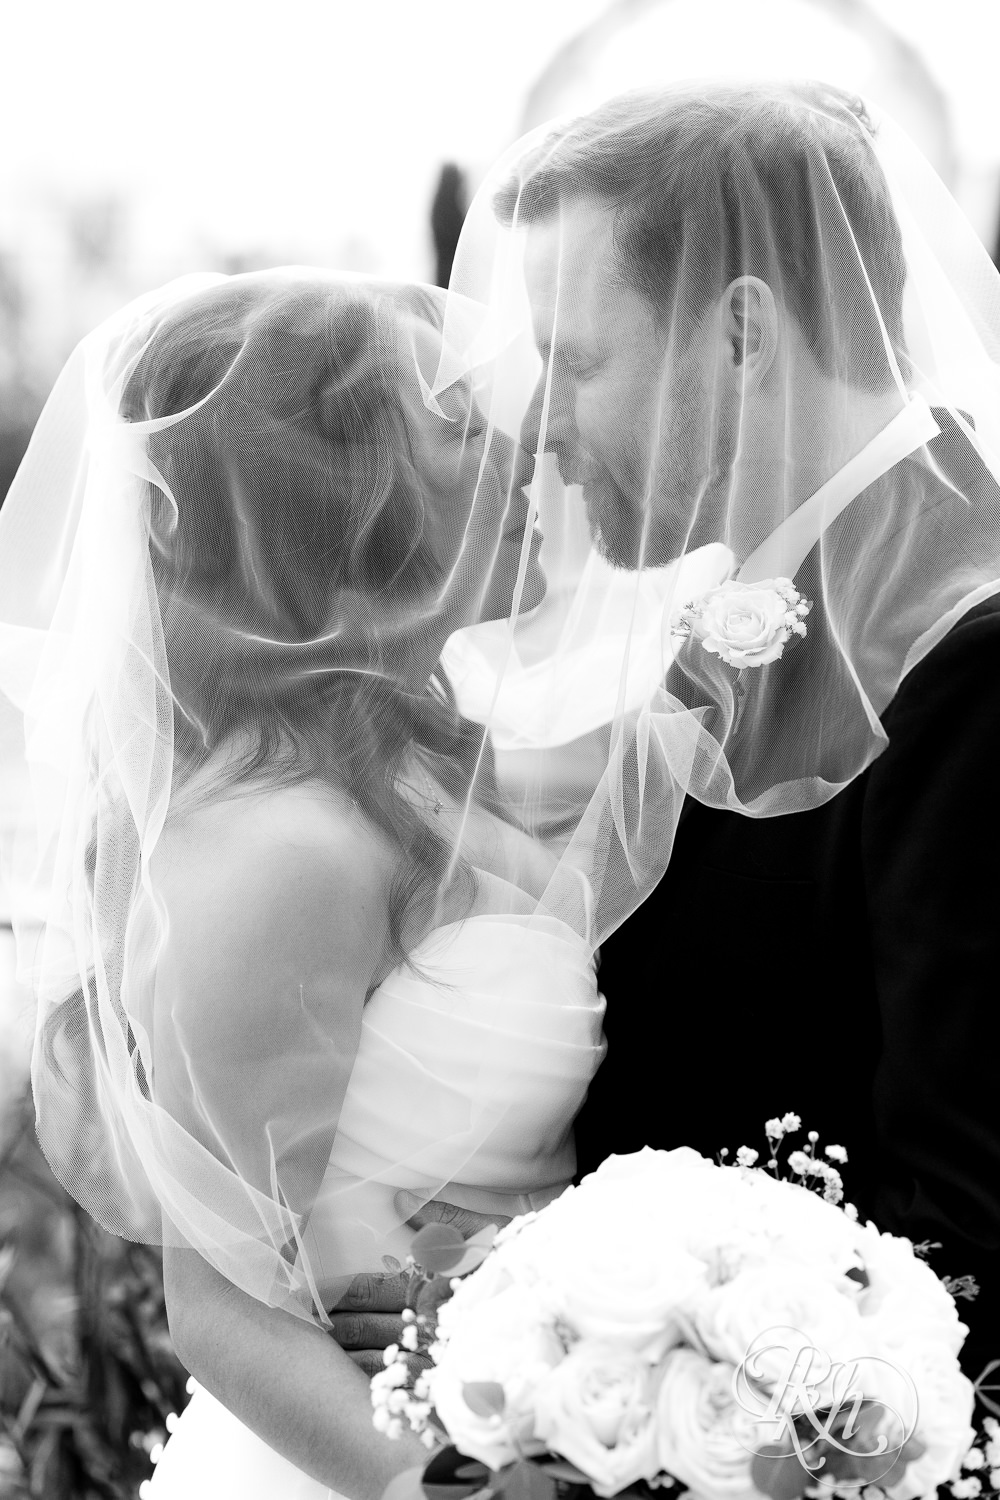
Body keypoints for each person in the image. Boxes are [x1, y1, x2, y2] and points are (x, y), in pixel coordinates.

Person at [338, 83, 1000, 1384]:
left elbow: (968, 1252)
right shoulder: (739, 610)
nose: (546, 431)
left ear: (742, 334)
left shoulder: (970, 664)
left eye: (577, 361)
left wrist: (570, 1345)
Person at [0, 269, 606, 1499]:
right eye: (457, 426)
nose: (522, 446)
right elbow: (221, 1312)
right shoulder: (288, 844)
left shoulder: (426, 756)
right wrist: (462, 1485)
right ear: (349, 495)